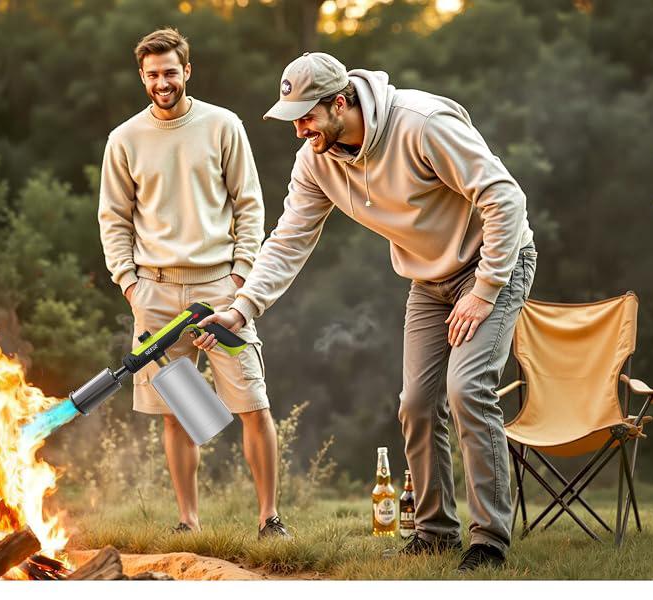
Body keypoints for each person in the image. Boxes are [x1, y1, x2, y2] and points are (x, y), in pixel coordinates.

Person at [197, 52, 536, 571]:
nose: (300, 130)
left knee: (467, 389)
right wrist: (241, 309)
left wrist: (486, 288)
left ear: (340, 103)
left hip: (495, 262)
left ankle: (489, 541)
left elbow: (505, 198)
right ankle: (435, 532)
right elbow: (289, 239)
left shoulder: (422, 126)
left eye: (306, 116)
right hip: (429, 278)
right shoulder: (317, 157)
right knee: (417, 402)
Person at [98, 28, 289, 539]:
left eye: (171, 72)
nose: (163, 82)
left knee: (252, 403)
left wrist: (241, 276)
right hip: (155, 294)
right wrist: (132, 286)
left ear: (188, 70)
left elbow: (249, 204)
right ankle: (188, 522)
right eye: (153, 74)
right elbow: (113, 219)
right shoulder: (125, 139)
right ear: (142, 77)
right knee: (179, 414)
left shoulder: (222, 125)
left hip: (220, 291)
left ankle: (269, 518)